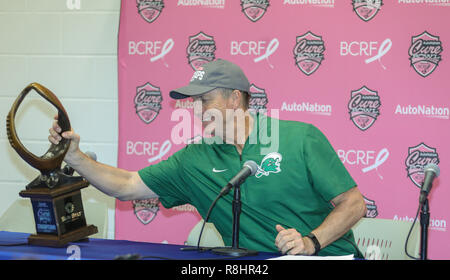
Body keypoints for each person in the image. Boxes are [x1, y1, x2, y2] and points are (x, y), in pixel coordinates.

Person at [49, 59, 366, 257]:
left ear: (235, 98)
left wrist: (310, 242)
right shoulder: (195, 159)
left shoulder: (300, 137)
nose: (198, 111)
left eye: (205, 100)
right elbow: (128, 185)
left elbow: (354, 204)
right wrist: (76, 159)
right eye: (194, 103)